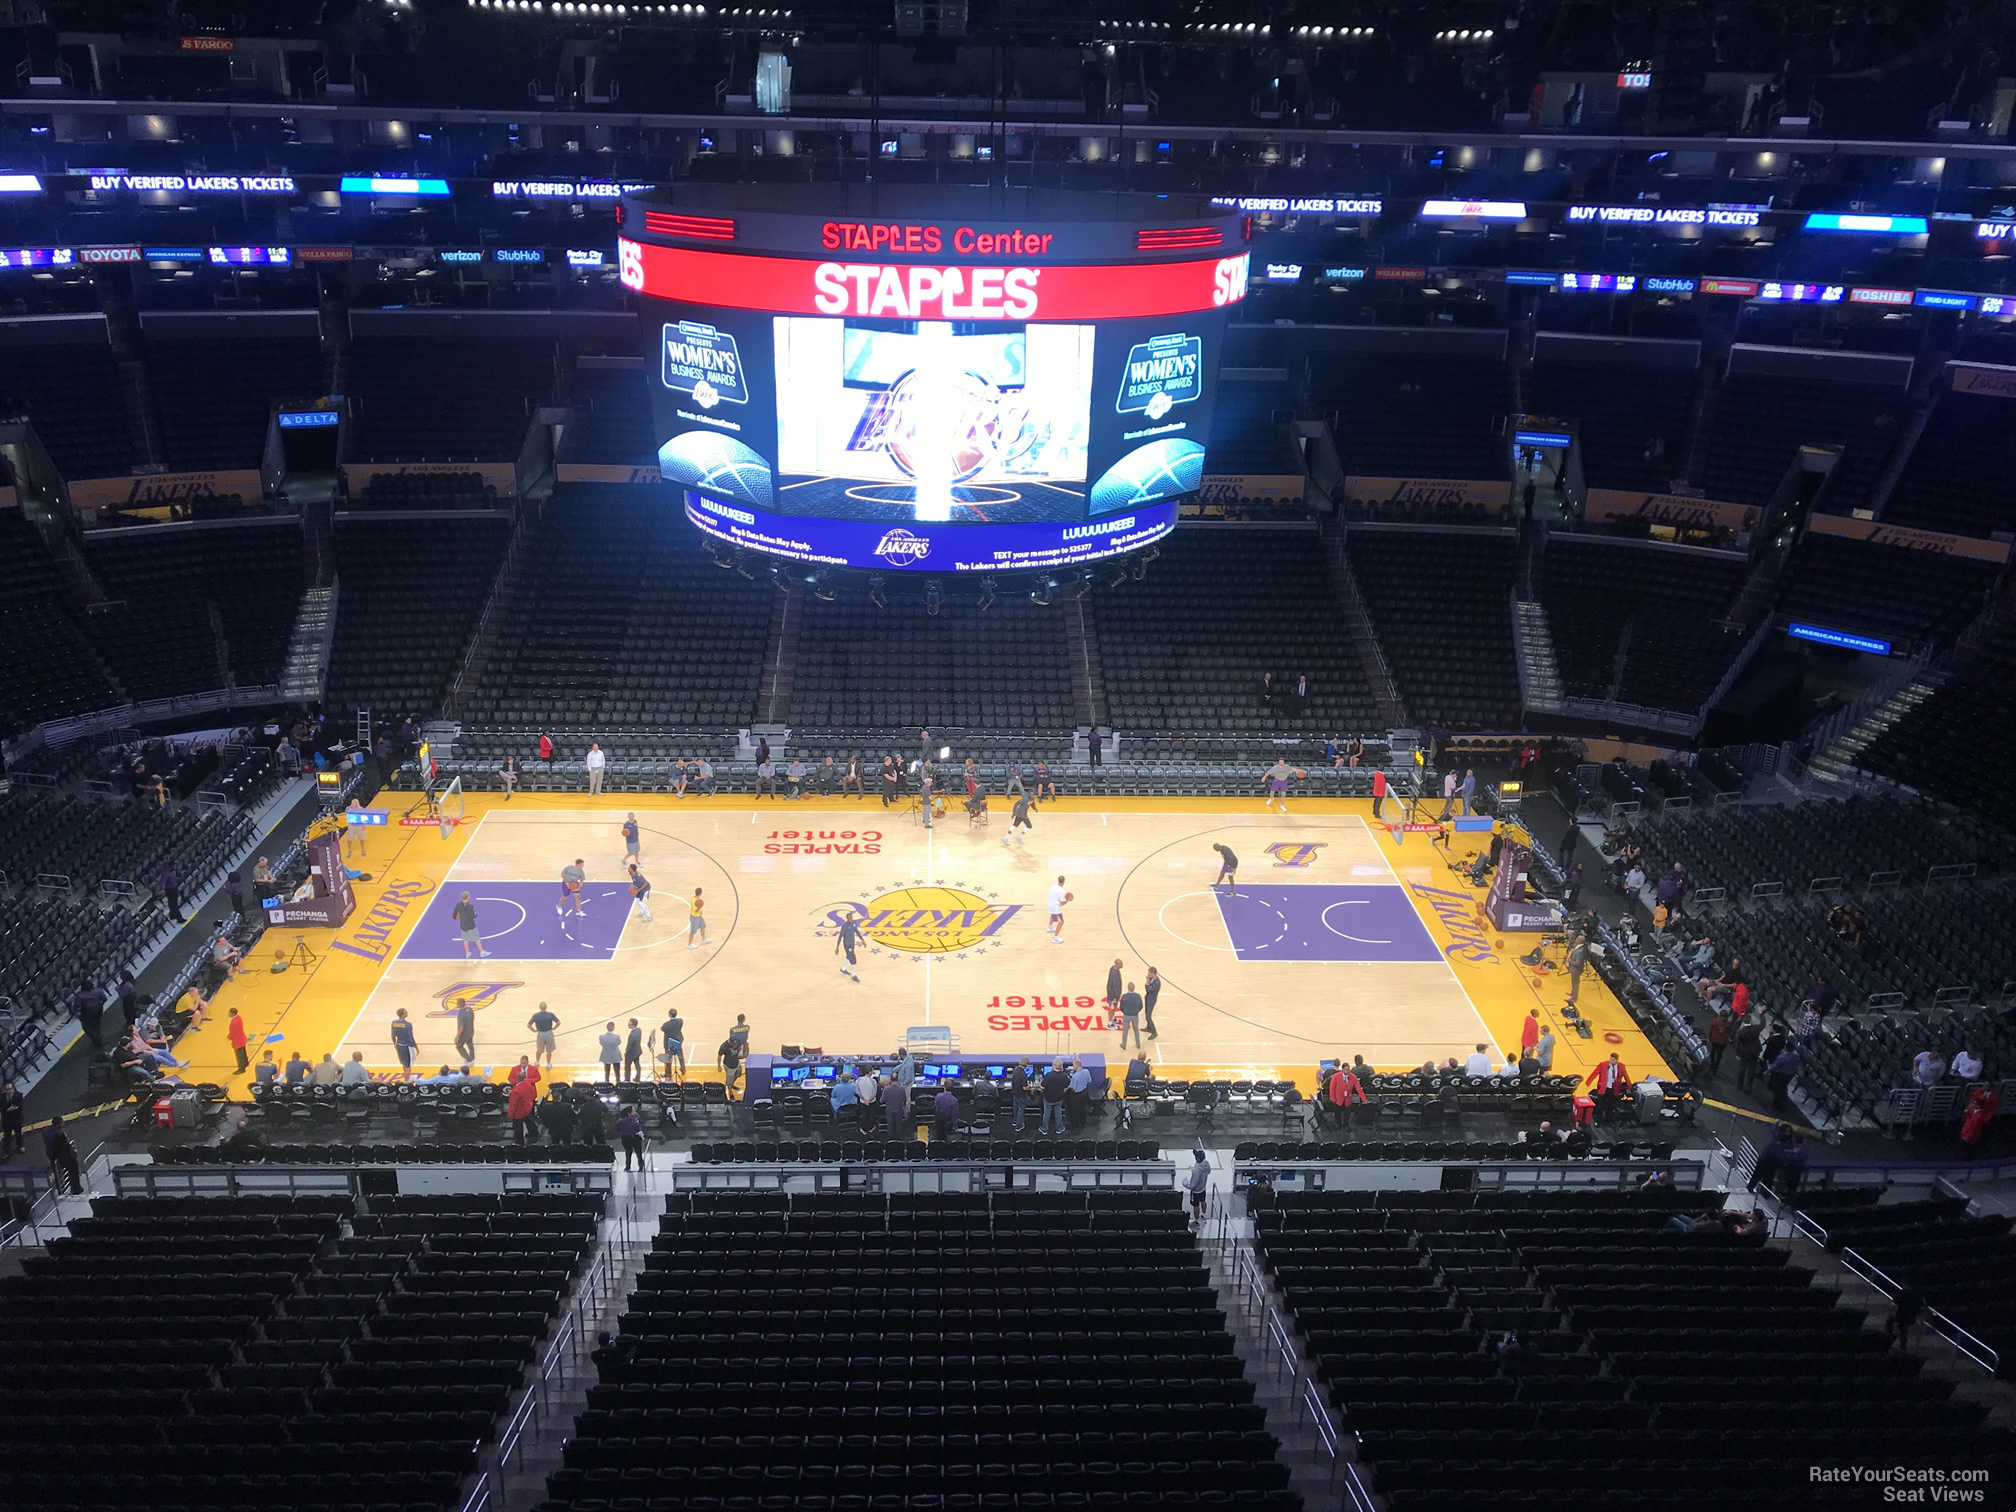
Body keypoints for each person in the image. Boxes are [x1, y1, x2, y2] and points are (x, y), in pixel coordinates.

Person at [1586, 1053, 1632, 1124]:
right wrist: (1588, 1081)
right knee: (1600, 1105)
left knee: (1611, 1106)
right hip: (1604, 1088)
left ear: (1617, 1060)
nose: (1611, 1061)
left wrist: (1629, 1087)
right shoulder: (1603, 1065)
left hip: (1614, 1089)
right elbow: (1595, 1073)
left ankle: (1608, 1120)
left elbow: (1626, 1077)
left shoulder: (1621, 1067)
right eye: (1610, 1059)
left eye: (1613, 1060)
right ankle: (1598, 1120)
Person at [44, 1114, 80, 1195]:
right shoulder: (60, 1134)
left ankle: (61, 1189)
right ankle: (75, 1188)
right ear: (59, 1124)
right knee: (73, 1169)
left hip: (52, 1156)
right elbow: (64, 1147)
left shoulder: (46, 1131)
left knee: (58, 1174)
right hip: (63, 1157)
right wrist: (73, 1153)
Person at [1960, 1086, 1998, 1159]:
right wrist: (1967, 1111)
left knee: (1968, 1151)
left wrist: (1967, 1137)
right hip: (1966, 1131)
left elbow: (1974, 1129)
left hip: (1970, 1137)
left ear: (1978, 1105)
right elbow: (1968, 1118)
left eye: (1974, 1103)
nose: (1972, 1104)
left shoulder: (1979, 1116)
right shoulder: (1974, 1111)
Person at [507, 1067, 541, 1143]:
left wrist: (510, 1115)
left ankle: (519, 1142)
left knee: (518, 1128)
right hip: (527, 1107)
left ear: (517, 1078)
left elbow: (513, 1105)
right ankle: (534, 1134)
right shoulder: (528, 1084)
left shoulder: (515, 1091)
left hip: (518, 1112)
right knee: (529, 1122)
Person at [454, 890, 489, 959]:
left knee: (465, 940)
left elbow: (454, 915)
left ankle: (467, 953)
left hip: (463, 925)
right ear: (468, 897)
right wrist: (475, 915)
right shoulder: (470, 906)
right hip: (470, 925)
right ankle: (482, 952)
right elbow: (472, 916)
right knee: (476, 939)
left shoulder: (458, 905)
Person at [1767, 1043, 1801, 1112]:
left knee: (1777, 1089)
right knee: (1784, 1088)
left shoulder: (1782, 1058)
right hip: (1790, 1075)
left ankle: (1776, 1105)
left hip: (1781, 1074)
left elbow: (1774, 1066)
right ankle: (1783, 1104)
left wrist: (1768, 1068)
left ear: (1785, 1047)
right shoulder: (1797, 1057)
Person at [1039, 1058, 1070, 1134]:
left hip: (1048, 1098)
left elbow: (1042, 1087)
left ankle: (1044, 1129)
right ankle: (1059, 1128)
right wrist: (1062, 1092)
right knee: (1058, 1113)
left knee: (1046, 1114)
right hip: (1059, 1098)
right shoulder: (1064, 1076)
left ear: (1053, 1066)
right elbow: (1066, 1087)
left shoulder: (1048, 1076)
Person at [1734, 1015, 1763, 1090]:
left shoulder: (1740, 1032)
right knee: (1752, 1069)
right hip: (1755, 1051)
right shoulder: (1756, 1028)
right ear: (1750, 1020)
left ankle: (1739, 1084)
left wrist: (1737, 1053)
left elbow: (1737, 1044)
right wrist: (1761, 1014)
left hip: (1745, 1051)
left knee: (1743, 1067)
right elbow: (1763, 1024)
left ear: (1744, 1021)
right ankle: (1749, 1085)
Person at [528, 1002, 560, 1069]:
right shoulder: (550, 1015)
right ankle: (548, 1064)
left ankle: (537, 1062)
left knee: (539, 1050)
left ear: (540, 1007)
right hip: (549, 1033)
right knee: (549, 1051)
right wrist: (554, 1028)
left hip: (540, 1034)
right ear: (546, 1007)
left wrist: (534, 1030)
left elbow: (528, 1024)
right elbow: (558, 1022)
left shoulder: (536, 1015)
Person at [654, 1011, 685, 1079]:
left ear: (670, 1015)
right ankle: (683, 1069)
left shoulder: (666, 1024)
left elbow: (662, 1029)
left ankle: (668, 1073)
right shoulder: (680, 1021)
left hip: (669, 1043)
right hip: (677, 1041)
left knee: (668, 1058)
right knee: (680, 1056)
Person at [1184, 1149, 1210, 1223]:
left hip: (1196, 1191)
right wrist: (1193, 1169)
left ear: (1198, 1158)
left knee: (1196, 1205)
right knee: (1203, 1200)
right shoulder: (1206, 1164)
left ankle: (1197, 1219)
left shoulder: (1196, 1170)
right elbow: (1208, 1172)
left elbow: (1192, 1185)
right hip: (1203, 1188)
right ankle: (1204, 1214)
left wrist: (1185, 1183)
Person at [835, 910, 862, 982]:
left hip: (852, 943)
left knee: (848, 956)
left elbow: (857, 931)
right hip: (847, 944)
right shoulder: (844, 926)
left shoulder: (854, 923)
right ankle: (853, 975)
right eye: (849, 919)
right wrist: (837, 947)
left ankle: (843, 969)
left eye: (851, 918)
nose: (850, 919)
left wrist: (863, 940)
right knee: (853, 958)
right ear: (847, 919)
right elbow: (840, 936)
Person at [1564, 934, 1590, 1008]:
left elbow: (1577, 963)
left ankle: (1574, 998)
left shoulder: (1580, 951)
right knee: (1573, 981)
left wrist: (1569, 960)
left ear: (1580, 941)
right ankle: (1572, 993)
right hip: (1574, 969)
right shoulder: (1578, 947)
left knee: (1575, 983)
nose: (1576, 939)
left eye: (1577, 939)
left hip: (1576, 969)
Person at [390, 1008, 418, 1076]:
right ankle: (407, 1082)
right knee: (408, 1065)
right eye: (405, 1012)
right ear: (402, 1015)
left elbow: (393, 1035)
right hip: (406, 1046)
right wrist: (416, 1047)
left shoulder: (394, 1023)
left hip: (399, 1045)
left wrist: (394, 1043)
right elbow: (410, 1037)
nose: (407, 1012)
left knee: (403, 1063)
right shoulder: (408, 1024)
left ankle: (406, 1075)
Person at [1118, 981, 1145, 1049]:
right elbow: (1141, 1006)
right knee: (1136, 1030)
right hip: (1135, 1015)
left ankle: (1124, 1045)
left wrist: (1125, 1012)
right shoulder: (1138, 996)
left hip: (1126, 1015)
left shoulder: (1124, 996)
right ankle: (1138, 1044)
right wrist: (1136, 1011)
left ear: (1128, 988)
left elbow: (1121, 1007)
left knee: (1125, 1031)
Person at [1009, 1058, 1034, 1131]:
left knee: (1015, 1108)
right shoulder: (1023, 1074)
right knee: (1021, 1109)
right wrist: (1029, 1086)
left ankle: (1015, 1121)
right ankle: (1019, 1125)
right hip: (1021, 1095)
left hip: (1015, 1093)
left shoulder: (1015, 1070)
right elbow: (1024, 1088)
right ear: (1026, 1065)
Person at [618, 1105, 645, 1170]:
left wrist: (640, 1130)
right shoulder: (622, 1121)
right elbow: (617, 1128)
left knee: (639, 1152)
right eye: (633, 1111)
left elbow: (640, 1123)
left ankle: (641, 1166)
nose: (635, 1111)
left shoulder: (637, 1116)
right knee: (628, 1152)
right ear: (629, 1113)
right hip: (627, 1138)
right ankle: (628, 1166)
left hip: (636, 1137)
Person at [453, 994, 477, 1066]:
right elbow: (473, 1017)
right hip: (471, 1030)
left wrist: (457, 1036)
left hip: (464, 1033)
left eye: (457, 1003)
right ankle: (472, 1057)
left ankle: (469, 1059)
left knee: (459, 1046)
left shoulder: (461, 1014)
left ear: (459, 1004)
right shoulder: (469, 1009)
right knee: (470, 1044)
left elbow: (461, 1027)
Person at [0, 1079, 22, 1157]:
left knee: (18, 1134)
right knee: (6, 1137)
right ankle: (6, 1151)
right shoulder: (1, 1098)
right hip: (6, 1121)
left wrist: (16, 1108)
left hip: (16, 1119)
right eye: (7, 1089)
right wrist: (7, 1110)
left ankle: (20, 1146)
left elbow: (20, 1106)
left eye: (10, 1089)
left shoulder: (18, 1095)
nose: (9, 1091)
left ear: (13, 1088)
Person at [1707, 1009, 1731, 1077]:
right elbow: (1729, 1032)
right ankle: (1715, 1068)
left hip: (1714, 1039)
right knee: (1719, 1055)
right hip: (1722, 1042)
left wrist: (1709, 1037)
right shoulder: (1728, 1024)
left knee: (1713, 1052)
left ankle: (1711, 1065)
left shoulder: (1714, 1021)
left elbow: (1711, 1030)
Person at [227, 1006, 250, 1073]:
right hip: (242, 1038)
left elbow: (232, 1033)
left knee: (239, 1055)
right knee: (243, 1052)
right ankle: (245, 1063)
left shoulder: (234, 1023)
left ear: (232, 1013)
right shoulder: (238, 1018)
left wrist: (229, 1037)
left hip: (237, 1040)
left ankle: (241, 1068)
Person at [1047, 875, 1069, 944]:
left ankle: (1050, 927)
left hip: (1050, 905)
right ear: (1064, 882)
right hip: (1055, 907)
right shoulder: (1062, 891)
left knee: (1052, 915)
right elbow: (1062, 903)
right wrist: (1068, 900)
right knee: (1061, 922)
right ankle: (1055, 938)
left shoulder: (1053, 886)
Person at [1142, 965, 1161, 1040]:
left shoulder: (1157, 983)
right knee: (1147, 1014)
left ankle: (1154, 1032)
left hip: (1151, 1000)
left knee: (1148, 1016)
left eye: (1149, 973)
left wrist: (1147, 982)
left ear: (1154, 974)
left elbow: (1148, 990)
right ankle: (1149, 1027)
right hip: (1148, 998)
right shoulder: (1152, 979)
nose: (1148, 975)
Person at [1103, 958, 1124, 1026]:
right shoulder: (1115, 974)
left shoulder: (1113, 968)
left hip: (1113, 994)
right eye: (1121, 964)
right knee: (1111, 1008)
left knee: (1113, 1007)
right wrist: (1115, 997)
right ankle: (1110, 1023)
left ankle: (1113, 1018)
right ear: (1117, 964)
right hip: (1113, 996)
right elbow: (1115, 986)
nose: (1122, 965)